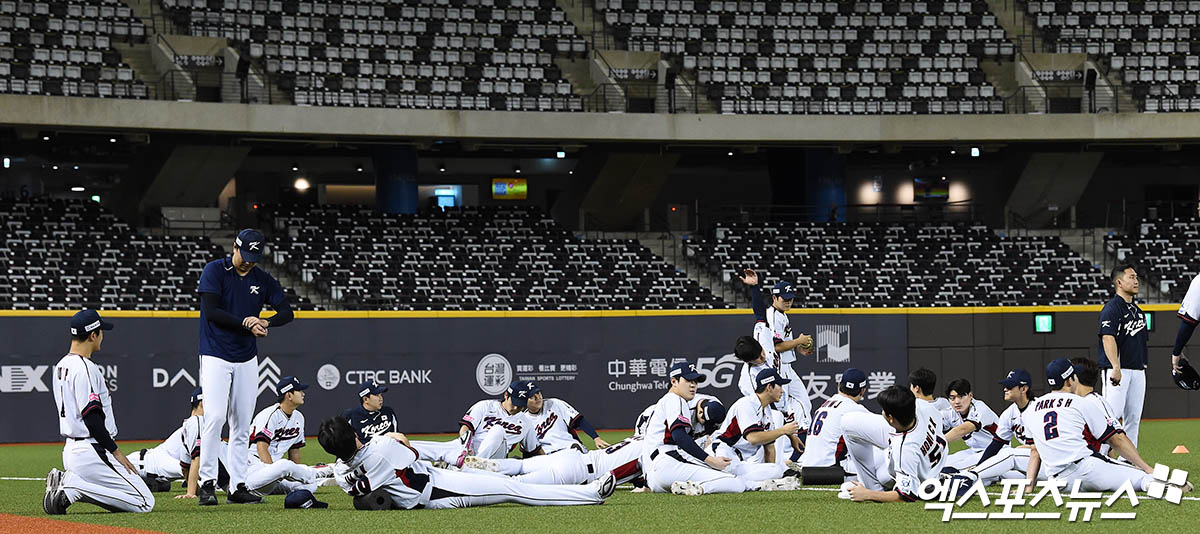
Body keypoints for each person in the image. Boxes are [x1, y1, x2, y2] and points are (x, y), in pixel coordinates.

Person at [318, 416, 615, 509]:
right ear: (353, 433)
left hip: (427, 482)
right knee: (514, 490)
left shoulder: (342, 471)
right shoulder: (381, 447)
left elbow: (359, 489)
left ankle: (455, 454)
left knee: (513, 485)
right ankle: (591, 494)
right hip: (437, 491)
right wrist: (397, 438)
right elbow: (411, 453)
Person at [196, 228, 295, 505]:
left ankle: (237, 485)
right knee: (215, 417)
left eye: (255, 256)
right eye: (246, 254)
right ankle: (207, 482)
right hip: (215, 352)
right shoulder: (215, 270)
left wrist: (266, 322)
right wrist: (246, 322)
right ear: (235, 248)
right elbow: (212, 312)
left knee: (241, 424)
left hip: (246, 357)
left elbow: (287, 312)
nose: (249, 261)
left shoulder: (261, 278)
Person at [44, 310, 155, 514]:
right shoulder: (85, 367)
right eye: (101, 331)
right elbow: (92, 419)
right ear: (92, 335)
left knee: (129, 492)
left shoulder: (62, 365)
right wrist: (116, 452)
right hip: (92, 450)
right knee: (144, 502)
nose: (103, 336)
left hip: (72, 450)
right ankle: (71, 487)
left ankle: (71, 487)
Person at [1023, 359, 1184, 494]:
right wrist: (1147, 469)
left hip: (1059, 483)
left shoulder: (1031, 409)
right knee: (1141, 477)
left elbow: (1035, 451)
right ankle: (1157, 485)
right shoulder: (1081, 402)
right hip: (1087, 469)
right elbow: (1116, 441)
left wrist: (1029, 485)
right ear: (1070, 380)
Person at [642, 362, 749, 495]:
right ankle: (698, 488)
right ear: (674, 381)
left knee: (726, 475)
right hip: (668, 463)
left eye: (695, 381)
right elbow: (679, 436)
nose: (693, 385)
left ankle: (759, 485)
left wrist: (647, 482)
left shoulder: (664, 402)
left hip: (656, 477)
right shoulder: (675, 399)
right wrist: (710, 460)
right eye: (688, 380)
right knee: (735, 482)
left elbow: (646, 448)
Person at [740, 269, 813, 462]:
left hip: (780, 371)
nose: (763, 356)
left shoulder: (763, 332)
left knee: (796, 408)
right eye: (784, 298)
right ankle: (779, 458)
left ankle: (794, 455)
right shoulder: (754, 374)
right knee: (777, 416)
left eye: (762, 353)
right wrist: (798, 341)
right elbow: (777, 346)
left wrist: (755, 287)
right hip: (763, 386)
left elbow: (758, 313)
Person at [845, 386, 948, 503]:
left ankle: (870, 488)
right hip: (929, 461)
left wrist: (867, 494)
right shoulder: (924, 406)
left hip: (919, 474)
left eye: (884, 410)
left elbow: (905, 496)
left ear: (891, 418)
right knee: (849, 423)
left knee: (882, 477)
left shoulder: (906, 450)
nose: (882, 411)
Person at [410, 380, 540, 467]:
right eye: (515, 403)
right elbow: (466, 428)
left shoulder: (526, 422)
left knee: (498, 430)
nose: (517, 408)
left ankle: (471, 466)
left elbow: (534, 451)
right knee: (428, 448)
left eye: (521, 405)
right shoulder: (485, 406)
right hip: (468, 449)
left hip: (494, 458)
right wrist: (466, 446)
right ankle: (398, 449)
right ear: (506, 395)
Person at [709, 368, 802, 489]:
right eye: (779, 386)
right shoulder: (746, 404)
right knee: (730, 472)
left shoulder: (767, 411)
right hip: (723, 452)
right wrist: (783, 431)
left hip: (741, 461)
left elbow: (769, 447)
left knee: (776, 470)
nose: (783, 391)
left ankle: (735, 480)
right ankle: (733, 480)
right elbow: (753, 438)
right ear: (769, 387)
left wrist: (770, 473)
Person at [242, 376, 333, 500]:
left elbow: (294, 451)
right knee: (284, 465)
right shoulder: (270, 415)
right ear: (289, 395)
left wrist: (295, 474)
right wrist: (274, 471)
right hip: (253, 468)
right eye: (299, 391)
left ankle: (316, 477)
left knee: (310, 487)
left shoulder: (299, 418)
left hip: (276, 475)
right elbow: (261, 448)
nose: (303, 393)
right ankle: (318, 472)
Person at [132, 388, 229, 498]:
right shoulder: (196, 423)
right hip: (139, 464)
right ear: (202, 403)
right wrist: (191, 492)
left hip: (155, 472)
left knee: (163, 485)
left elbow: (188, 467)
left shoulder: (199, 426)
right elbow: (195, 463)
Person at [1098, 264, 1148, 448]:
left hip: (1137, 369)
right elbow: (1107, 338)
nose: (1136, 281)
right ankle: (1101, 455)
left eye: (1136, 277)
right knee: (1111, 417)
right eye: (1131, 277)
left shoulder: (1137, 311)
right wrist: (1116, 367)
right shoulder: (1112, 308)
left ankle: (1129, 460)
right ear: (1119, 282)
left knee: (1133, 418)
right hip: (1118, 369)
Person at [964, 369, 1040, 485]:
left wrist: (1022, 448)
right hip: (1029, 461)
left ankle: (970, 477)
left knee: (1009, 454)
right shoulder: (1009, 413)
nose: (1005, 389)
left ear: (1024, 389)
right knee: (997, 468)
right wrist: (979, 467)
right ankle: (969, 476)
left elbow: (1037, 447)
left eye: (1009, 386)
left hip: (1049, 461)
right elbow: (995, 445)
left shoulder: (1038, 409)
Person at [798, 368, 870, 471]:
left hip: (807, 467)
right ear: (863, 391)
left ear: (839, 385)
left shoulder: (824, 405)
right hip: (830, 469)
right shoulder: (855, 409)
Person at [941, 379, 1001, 470]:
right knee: (940, 463)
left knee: (954, 469)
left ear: (970, 396)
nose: (957, 401)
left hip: (997, 452)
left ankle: (999, 473)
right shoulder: (950, 412)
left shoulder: (980, 409)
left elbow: (963, 430)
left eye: (961, 396)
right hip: (974, 451)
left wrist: (938, 442)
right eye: (952, 398)